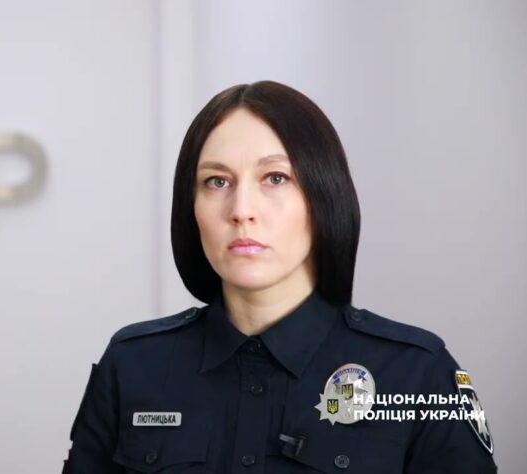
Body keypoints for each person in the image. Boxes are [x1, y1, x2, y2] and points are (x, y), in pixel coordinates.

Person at [61, 81, 497, 473]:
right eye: (216, 181)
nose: (241, 210)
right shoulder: (133, 364)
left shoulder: (417, 373)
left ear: (323, 196)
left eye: (275, 177)